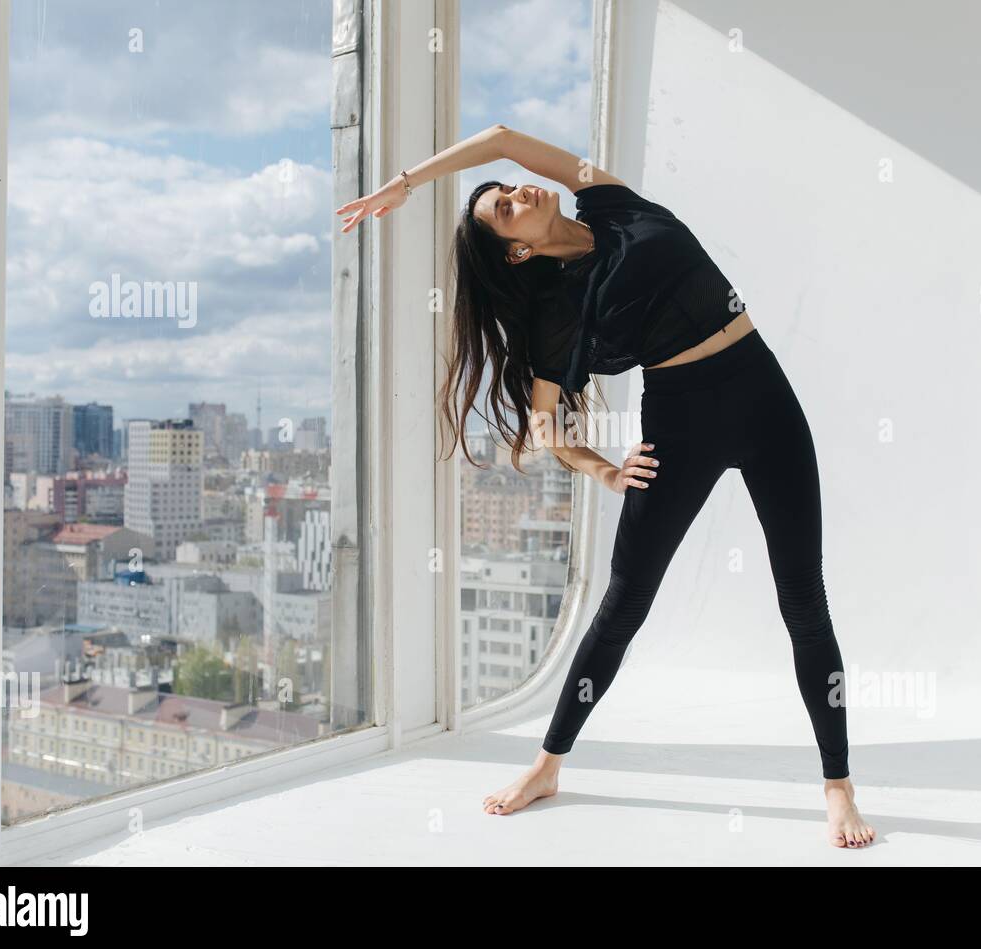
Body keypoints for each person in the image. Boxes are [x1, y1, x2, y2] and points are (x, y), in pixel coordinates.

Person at [336, 123, 875, 849]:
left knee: (804, 601)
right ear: (517, 250)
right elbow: (544, 423)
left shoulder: (609, 201)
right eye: (503, 211)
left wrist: (408, 181)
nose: (519, 191)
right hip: (681, 426)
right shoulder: (561, 308)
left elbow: (500, 140)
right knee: (624, 604)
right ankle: (547, 764)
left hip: (765, 395)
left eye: (509, 191)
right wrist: (605, 469)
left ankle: (838, 787)